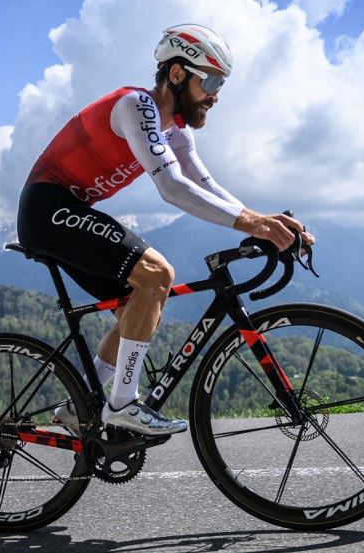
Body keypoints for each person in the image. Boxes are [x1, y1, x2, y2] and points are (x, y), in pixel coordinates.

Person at [17, 24, 315, 437]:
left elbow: (205, 185)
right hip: (47, 208)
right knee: (157, 274)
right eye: (209, 80)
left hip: (67, 210)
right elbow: (172, 187)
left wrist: (265, 221)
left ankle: (76, 407)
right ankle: (122, 404)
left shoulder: (176, 130)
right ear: (176, 74)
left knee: (136, 311)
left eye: (221, 83)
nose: (216, 95)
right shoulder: (136, 105)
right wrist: (253, 224)